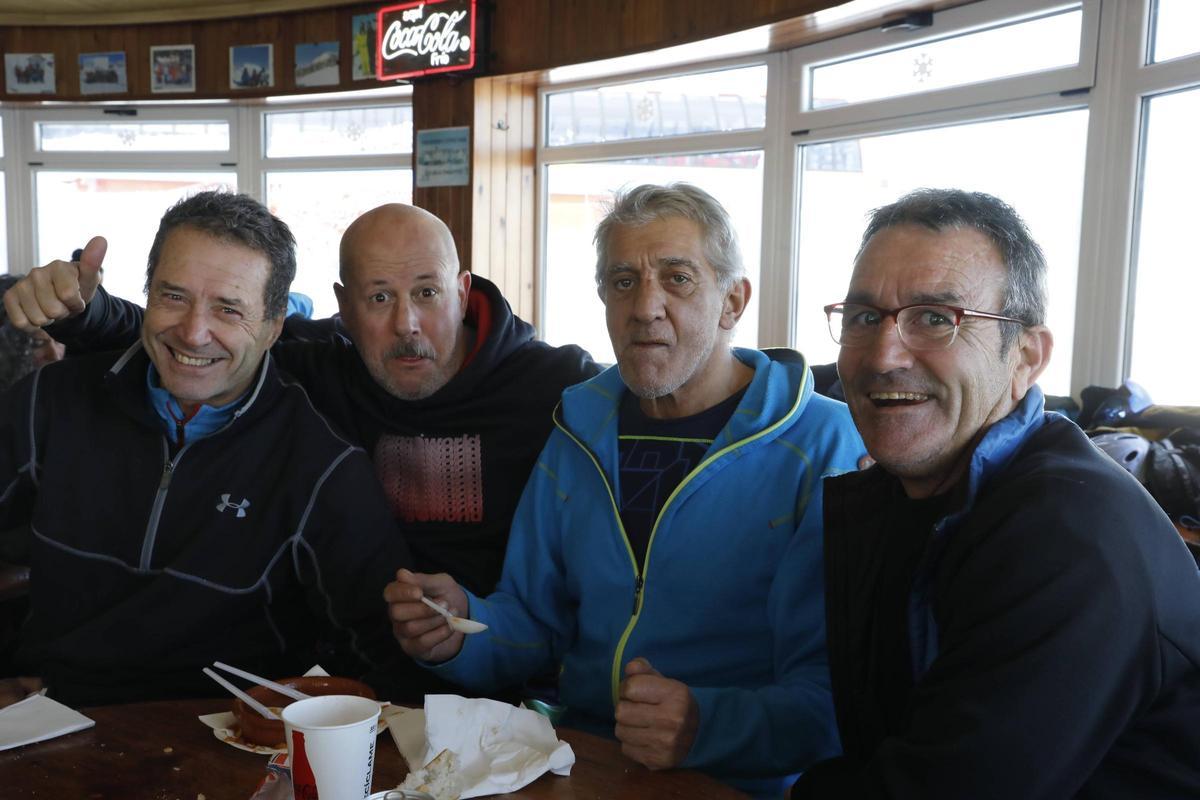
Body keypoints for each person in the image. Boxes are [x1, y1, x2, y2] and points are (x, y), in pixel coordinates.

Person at [385, 183, 865, 798]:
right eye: (623, 282)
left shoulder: (824, 444)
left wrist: (705, 725)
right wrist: (462, 629)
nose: (645, 307)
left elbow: (839, 695)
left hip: (737, 784)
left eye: (678, 278)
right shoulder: (579, 429)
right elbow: (533, 624)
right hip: (580, 764)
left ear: (733, 301)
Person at [792, 189, 1200, 798]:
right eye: (863, 317)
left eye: (936, 318)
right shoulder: (901, 496)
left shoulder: (1073, 541)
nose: (883, 354)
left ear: (1026, 358)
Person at [3, 204, 598, 601]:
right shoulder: (318, 365)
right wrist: (83, 311)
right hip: (347, 665)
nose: (406, 323)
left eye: (427, 292)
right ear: (343, 305)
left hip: (506, 662)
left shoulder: (556, 385)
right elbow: (197, 338)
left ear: (463, 292)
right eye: (378, 297)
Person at [0, 191, 412, 707]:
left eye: (228, 309)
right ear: (146, 294)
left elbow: (384, 665)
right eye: (173, 296)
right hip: (47, 720)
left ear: (273, 325)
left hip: (228, 745)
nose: (194, 333)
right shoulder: (50, 403)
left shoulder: (321, 469)